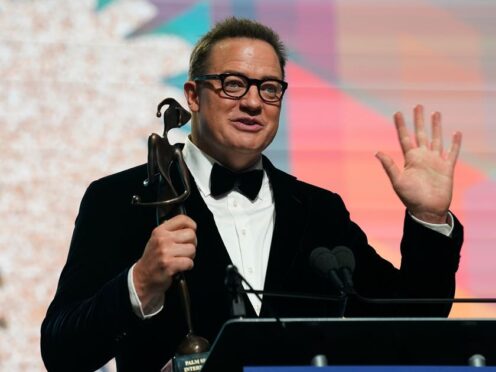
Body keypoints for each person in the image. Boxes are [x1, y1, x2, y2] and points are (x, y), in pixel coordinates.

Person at [41, 17, 463, 372]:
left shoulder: (319, 209)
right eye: (232, 84)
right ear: (193, 96)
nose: (253, 103)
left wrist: (428, 219)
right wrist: (140, 283)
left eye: (269, 88)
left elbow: (407, 323)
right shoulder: (121, 198)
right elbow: (62, 353)